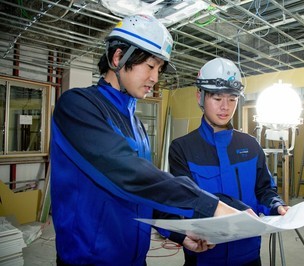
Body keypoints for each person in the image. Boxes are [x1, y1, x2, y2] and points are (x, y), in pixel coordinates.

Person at [50, 15, 241, 266]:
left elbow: (147, 191)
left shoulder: (137, 125)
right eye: (150, 66)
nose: (155, 78)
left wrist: (180, 232)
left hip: (135, 259)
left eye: (159, 69)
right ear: (118, 58)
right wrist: (208, 204)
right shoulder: (77, 107)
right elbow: (129, 174)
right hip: (88, 260)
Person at [166, 58, 290, 266]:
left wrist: (276, 206)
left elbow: (264, 190)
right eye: (217, 98)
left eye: (232, 99)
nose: (225, 107)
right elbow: (185, 201)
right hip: (204, 257)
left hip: (248, 256)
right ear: (200, 96)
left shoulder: (250, 145)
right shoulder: (182, 149)